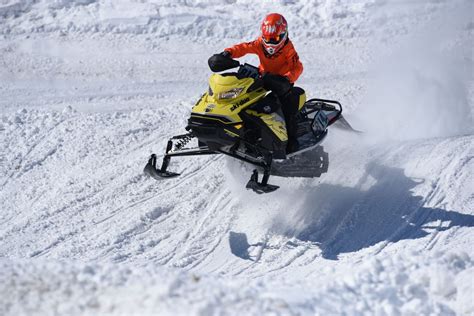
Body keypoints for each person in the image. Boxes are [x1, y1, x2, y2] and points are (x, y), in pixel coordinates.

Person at [218, 13, 304, 153]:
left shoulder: (288, 49)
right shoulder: (259, 44)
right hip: (263, 79)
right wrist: (228, 53)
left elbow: (298, 67)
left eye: (275, 39)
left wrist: (287, 79)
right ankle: (240, 130)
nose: (270, 43)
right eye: (267, 39)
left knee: (287, 107)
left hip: (281, 84)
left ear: (283, 35)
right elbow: (244, 47)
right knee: (244, 99)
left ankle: (291, 141)